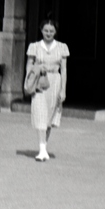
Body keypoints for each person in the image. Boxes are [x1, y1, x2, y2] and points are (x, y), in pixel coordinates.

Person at [26, 19, 69, 162]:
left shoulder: (62, 47)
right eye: (46, 30)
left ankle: (43, 147)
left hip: (55, 81)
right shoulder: (34, 46)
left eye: (51, 31)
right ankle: (42, 149)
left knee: (49, 117)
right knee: (40, 113)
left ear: (55, 32)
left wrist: (63, 90)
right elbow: (29, 64)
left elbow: (64, 69)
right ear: (41, 30)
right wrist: (31, 77)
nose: (48, 33)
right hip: (40, 80)